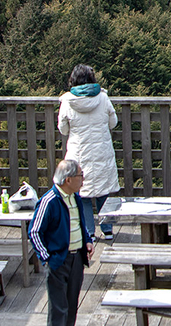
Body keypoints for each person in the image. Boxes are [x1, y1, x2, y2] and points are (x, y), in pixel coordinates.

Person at [30, 159, 95, 326]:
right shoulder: (49, 201)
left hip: (77, 260)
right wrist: (47, 258)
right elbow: (34, 232)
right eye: (80, 175)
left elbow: (80, 224)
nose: (83, 179)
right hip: (58, 260)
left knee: (72, 306)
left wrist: (87, 241)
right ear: (68, 179)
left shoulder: (76, 198)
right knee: (59, 310)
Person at [58, 64, 119, 239]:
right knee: (103, 190)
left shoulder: (67, 101)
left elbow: (63, 129)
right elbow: (112, 122)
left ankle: (89, 232)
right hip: (101, 151)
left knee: (82, 194)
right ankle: (107, 229)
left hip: (79, 153)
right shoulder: (103, 97)